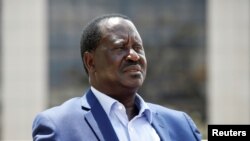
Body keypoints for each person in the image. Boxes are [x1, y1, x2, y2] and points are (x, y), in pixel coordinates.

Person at [32, 13, 202, 141]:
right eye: (121, 47)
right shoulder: (59, 126)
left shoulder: (181, 125)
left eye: (138, 47)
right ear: (90, 62)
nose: (134, 56)